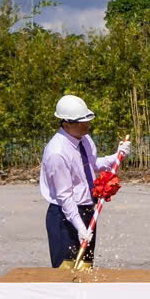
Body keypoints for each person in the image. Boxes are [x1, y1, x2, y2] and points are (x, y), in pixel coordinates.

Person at [39, 94, 131, 267]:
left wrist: (118, 155)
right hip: (64, 217)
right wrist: (80, 227)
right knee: (66, 271)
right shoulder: (57, 153)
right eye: (82, 122)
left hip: (88, 211)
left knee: (86, 267)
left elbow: (93, 164)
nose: (87, 125)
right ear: (66, 124)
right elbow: (65, 196)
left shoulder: (84, 139)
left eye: (87, 120)